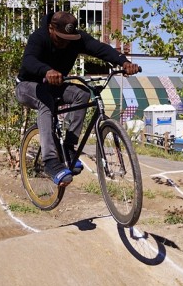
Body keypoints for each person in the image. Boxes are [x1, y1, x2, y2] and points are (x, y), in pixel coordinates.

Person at [16, 11, 140, 186]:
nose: (65, 43)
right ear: (51, 29)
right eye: (60, 38)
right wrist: (46, 71)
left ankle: (68, 148)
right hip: (27, 86)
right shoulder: (39, 37)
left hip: (55, 86)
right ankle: (50, 161)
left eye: (69, 39)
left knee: (82, 94)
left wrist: (123, 62)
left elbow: (100, 48)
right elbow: (28, 60)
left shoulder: (75, 39)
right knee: (45, 99)